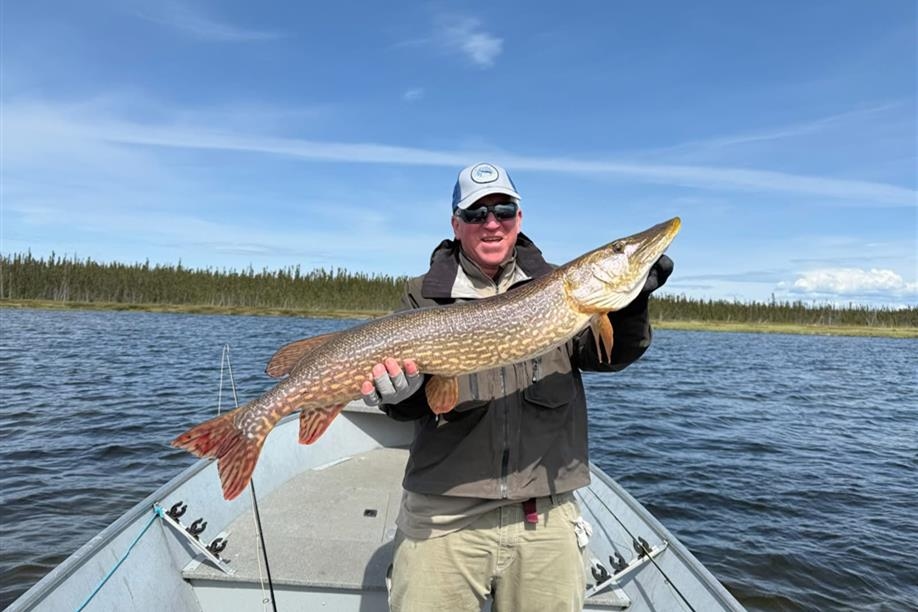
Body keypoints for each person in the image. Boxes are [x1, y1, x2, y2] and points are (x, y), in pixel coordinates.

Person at [360, 162, 673, 612]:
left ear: (519, 218)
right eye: (475, 213)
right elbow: (414, 405)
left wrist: (631, 303)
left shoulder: (561, 289)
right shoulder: (422, 296)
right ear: (456, 224)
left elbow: (609, 356)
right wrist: (401, 394)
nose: (491, 223)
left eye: (503, 209)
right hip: (443, 514)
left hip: (543, 512)